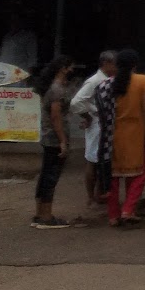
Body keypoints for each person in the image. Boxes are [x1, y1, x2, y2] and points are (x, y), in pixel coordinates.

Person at [96, 49, 145, 227]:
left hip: (112, 136)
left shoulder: (106, 85)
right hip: (135, 134)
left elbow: (102, 112)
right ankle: (128, 209)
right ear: (135, 65)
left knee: (113, 177)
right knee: (138, 174)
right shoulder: (142, 81)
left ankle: (113, 215)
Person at [31, 56, 75, 229]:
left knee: (45, 175)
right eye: (70, 67)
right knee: (51, 177)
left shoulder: (51, 88)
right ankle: (46, 216)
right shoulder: (57, 90)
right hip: (54, 138)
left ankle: (40, 213)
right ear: (63, 68)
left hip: (48, 137)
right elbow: (56, 117)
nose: (72, 70)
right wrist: (63, 141)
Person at [70, 50, 116, 207]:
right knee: (93, 160)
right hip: (97, 125)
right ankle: (91, 197)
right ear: (106, 64)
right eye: (114, 64)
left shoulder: (108, 80)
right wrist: (89, 115)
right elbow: (76, 102)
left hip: (105, 123)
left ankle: (99, 194)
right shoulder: (95, 81)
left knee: (102, 160)